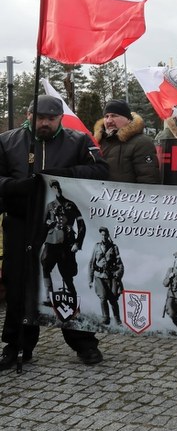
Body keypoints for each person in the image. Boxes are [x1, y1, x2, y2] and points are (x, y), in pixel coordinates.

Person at [0, 94, 108, 369]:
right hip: (21, 222)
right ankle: (17, 344)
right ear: (29, 116)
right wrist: (15, 186)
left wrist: (67, 174)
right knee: (19, 284)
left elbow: (101, 170)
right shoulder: (7, 141)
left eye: (51, 118)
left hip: (62, 230)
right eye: (40, 117)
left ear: (60, 118)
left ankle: (84, 342)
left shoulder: (79, 141)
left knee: (68, 280)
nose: (45, 123)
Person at [93, 99, 161, 184]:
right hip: (98, 192)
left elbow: (148, 180)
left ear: (128, 119)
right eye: (106, 116)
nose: (109, 121)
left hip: (126, 193)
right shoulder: (97, 143)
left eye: (114, 116)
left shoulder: (142, 143)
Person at [42, 180, 86, 298]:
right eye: (53, 187)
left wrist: (78, 243)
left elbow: (81, 224)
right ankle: (49, 295)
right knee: (45, 263)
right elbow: (43, 225)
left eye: (56, 186)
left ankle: (73, 297)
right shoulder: (50, 206)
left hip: (67, 242)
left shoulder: (71, 205)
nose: (55, 189)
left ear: (59, 187)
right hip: (52, 241)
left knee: (66, 273)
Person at [88, 227, 124, 326]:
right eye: (102, 235)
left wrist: (118, 274)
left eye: (105, 235)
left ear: (108, 235)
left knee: (113, 300)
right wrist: (90, 280)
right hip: (99, 276)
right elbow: (91, 263)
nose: (103, 237)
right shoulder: (96, 246)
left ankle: (117, 321)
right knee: (103, 297)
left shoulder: (114, 247)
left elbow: (120, 264)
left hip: (111, 277)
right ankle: (106, 318)